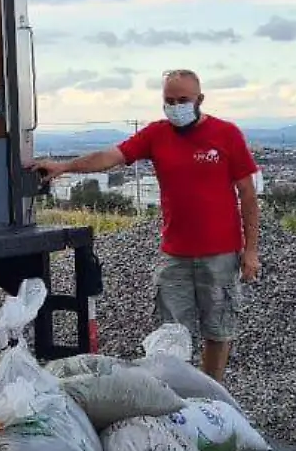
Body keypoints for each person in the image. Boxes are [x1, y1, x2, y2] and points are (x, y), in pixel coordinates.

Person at [34, 69, 260, 381]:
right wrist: (65, 167)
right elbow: (109, 156)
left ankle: (212, 398)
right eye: (169, 100)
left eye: (183, 100)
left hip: (221, 253)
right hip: (175, 255)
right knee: (170, 335)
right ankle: (175, 395)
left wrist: (251, 251)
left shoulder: (227, 134)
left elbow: (247, 193)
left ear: (200, 100)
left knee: (217, 331)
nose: (176, 106)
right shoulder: (156, 135)